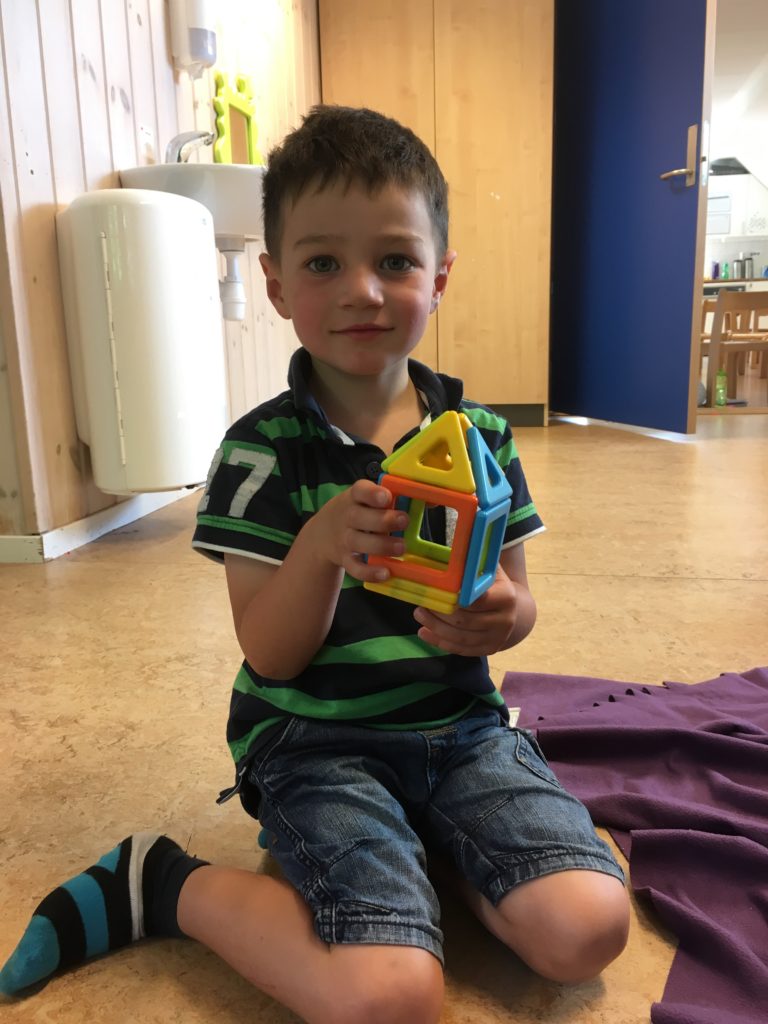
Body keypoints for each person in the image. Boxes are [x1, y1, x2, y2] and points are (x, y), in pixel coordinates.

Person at [1, 106, 629, 1023]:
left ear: (440, 278)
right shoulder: (259, 455)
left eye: (396, 261)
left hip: (461, 732)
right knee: (390, 997)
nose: (363, 291)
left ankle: (429, 850)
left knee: (588, 929)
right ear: (276, 284)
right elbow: (271, 654)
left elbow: (518, 602)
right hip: (317, 743)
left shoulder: (483, 438)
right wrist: (322, 547)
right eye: (325, 263)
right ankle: (159, 882)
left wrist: (502, 614)